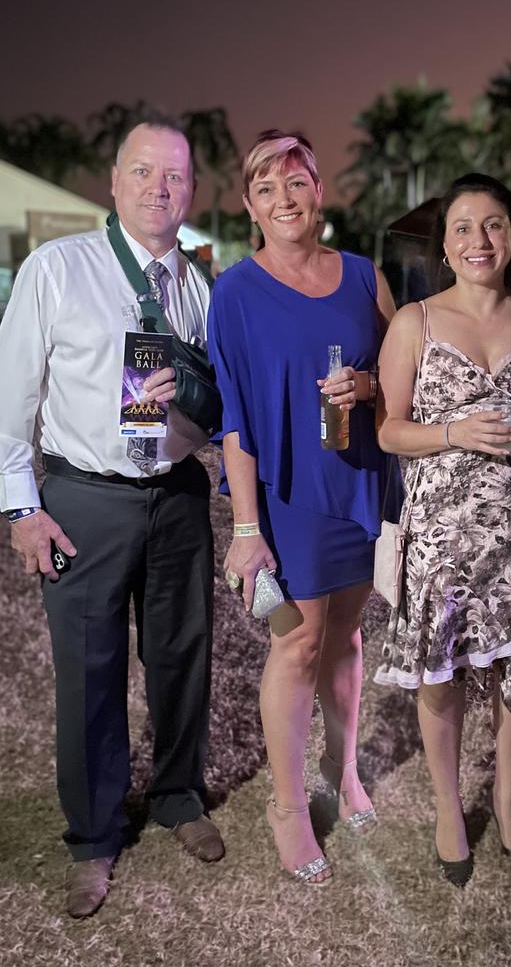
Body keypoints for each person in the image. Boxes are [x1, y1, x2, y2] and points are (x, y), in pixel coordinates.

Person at [0, 118, 224, 920]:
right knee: (89, 670)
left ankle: (175, 795)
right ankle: (93, 835)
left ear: (191, 190)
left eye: (174, 176)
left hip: (178, 496)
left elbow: (216, 405)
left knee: (182, 658)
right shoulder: (58, 269)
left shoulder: (200, 286)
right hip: (85, 496)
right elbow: (11, 399)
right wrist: (23, 510)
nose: (159, 188)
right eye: (143, 172)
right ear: (114, 181)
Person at [375, 174, 511, 886]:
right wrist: (452, 430)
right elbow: (388, 430)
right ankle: (445, 808)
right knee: (444, 675)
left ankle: (507, 797)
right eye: (463, 228)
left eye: (493, 225)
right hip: (442, 534)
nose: (478, 241)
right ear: (445, 244)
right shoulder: (416, 321)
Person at [207, 129, 399, 886]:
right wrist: (246, 527)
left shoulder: (362, 276)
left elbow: (402, 374)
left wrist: (372, 388)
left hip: (358, 479)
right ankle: (288, 806)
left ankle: (340, 767)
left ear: (319, 191)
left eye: (296, 183)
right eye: (265, 189)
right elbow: (234, 419)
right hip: (287, 495)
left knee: (347, 637)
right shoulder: (236, 291)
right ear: (250, 205)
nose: (283, 199)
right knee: (297, 641)